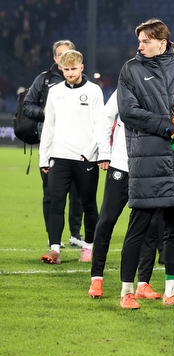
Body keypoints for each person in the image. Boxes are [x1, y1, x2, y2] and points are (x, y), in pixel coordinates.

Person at [117, 19, 174, 309]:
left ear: (162, 42)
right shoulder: (131, 69)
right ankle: (126, 292)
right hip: (148, 160)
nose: (140, 46)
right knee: (139, 228)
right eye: (139, 41)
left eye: (145, 41)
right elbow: (128, 111)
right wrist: (168, 126)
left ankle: (172, 291)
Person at [87, 90, 162, 300]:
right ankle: (96, 277)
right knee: (107, 220)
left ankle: (143, 282)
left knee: (150, 226)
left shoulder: (162, 86)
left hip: (149, 168)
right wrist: (104, 152)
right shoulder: (126, 86)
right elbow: (106, 117)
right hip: (121, 164)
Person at [38, 50, 107, 265]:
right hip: (59, 156)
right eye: (66, 69)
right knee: (56, 203)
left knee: (89, 205)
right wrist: (44, 157)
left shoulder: (94, 91)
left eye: (73, 69)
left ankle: (88, 247)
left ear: (81, 67)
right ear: (61, 68)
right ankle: (54, 249)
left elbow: (100, 125)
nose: (70, 73)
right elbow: (49, 126)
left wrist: (96, 153)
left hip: (86, 158)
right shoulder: (55, 92)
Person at [22, 39, 84, 248]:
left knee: (78, 193)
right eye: (60, 55)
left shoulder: (83, 82)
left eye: (68, 53)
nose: (65, 58)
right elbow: (27, 107)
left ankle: (75, 234)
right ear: (55, 58)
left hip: (77, 146)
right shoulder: (44, 80)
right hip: (52, 146)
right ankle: (53, 236)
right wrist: (43, 112)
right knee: (51, 194)